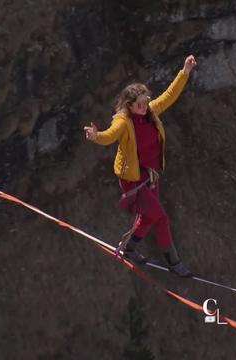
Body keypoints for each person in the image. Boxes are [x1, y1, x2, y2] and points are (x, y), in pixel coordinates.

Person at [84, 55, 197, 277]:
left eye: (146, 102)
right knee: (161, 218)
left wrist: (184, 72)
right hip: (133, 180)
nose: (144, 107)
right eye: (140, 104)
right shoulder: (123, 121)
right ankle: (174, 263)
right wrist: (96, 136)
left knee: (148, 217)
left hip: (151, 176)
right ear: (129, 105)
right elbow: (110, 135)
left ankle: (129, 248)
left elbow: (169, 96)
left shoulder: (149, 112)